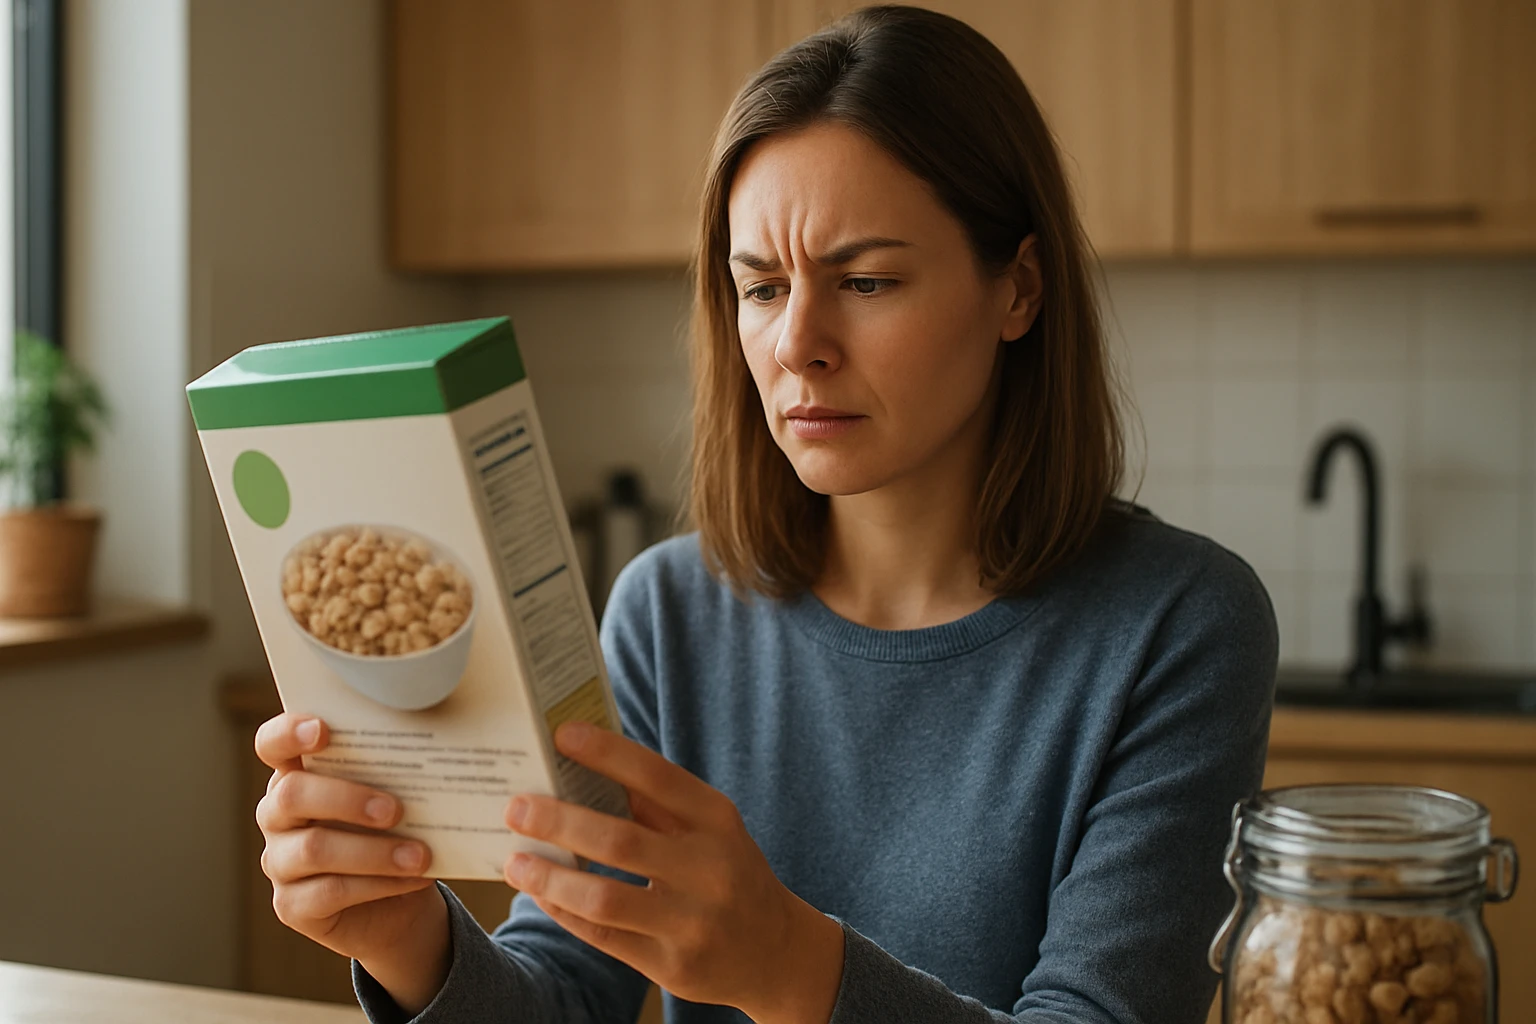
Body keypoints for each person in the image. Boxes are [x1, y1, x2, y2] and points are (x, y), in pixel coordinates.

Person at [252, 6, 1277, 1023]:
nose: (796, 345)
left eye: (866, 280)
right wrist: (407, 938)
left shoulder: (1180, 624)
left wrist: (791, 966)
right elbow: (566, 995)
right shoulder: (667, 613)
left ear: (1019, 289)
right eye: (762, 287)